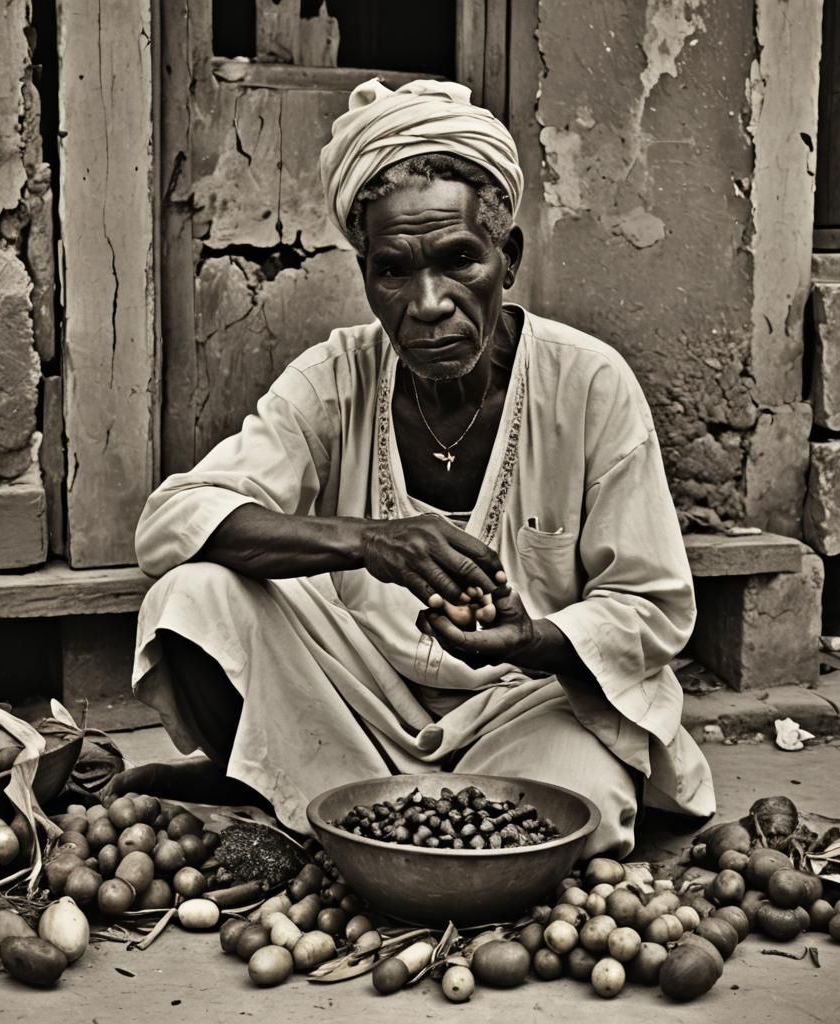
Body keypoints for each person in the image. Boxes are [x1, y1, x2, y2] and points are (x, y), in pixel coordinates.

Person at [115, 78, 714, 857]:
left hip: (523, 705)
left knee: (581, 805)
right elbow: (173, 521)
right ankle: (282, 783)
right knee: (191, 597)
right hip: (359, 696)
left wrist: (534, 639)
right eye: (394, 270)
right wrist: (370, 541)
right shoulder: (336, 376)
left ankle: (299, 801)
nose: (428, 302)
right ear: (366, 275)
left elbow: (653, 605)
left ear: (509, 259)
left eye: (459, 260)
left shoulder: (589, 383)